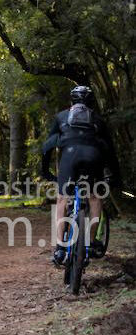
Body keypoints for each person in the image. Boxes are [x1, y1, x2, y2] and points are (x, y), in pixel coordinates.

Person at [41, 85, 120, 265]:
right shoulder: (98, 120)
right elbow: (110, 151)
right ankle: (91, 244)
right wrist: (115, 176)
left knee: (62, 199)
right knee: (94, 198)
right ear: (91, 103)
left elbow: (47, 147)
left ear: (71, 102)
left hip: (69, 157)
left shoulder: (61, 117)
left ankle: (60, 248)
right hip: (93, 158)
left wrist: (45, 171)